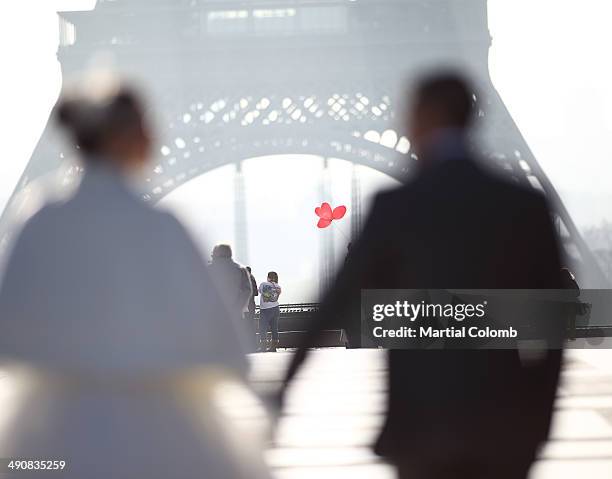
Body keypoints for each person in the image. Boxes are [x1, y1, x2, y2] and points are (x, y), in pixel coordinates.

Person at [280, 72, 563, 479]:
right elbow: (555, 328)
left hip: (420, 426)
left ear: (426, 114)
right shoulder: (526, 204)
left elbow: (336, 302)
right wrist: (538, 425)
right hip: (506, 424)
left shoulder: (396, 205)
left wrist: (284, 385)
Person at [0, 77, 269, 479]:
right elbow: (222, 341)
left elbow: (9, 331)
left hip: (56, 428)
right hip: (161, 426)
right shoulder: (161, 225)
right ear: (133, 137)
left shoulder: (41, 221)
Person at [208, 243, 252, 323]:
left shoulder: (207, 270)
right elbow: (247, 291)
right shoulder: (241, 270)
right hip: (235, 315)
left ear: (215, 254)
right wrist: (237, 308)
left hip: (212, 315)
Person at [258, 272, 282, 352]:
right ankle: (273, 347)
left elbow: (260, 292)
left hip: (265, 310)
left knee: (262, 328)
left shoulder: (264, 284)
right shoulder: (278, 286)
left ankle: (263, 347)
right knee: (274, 328)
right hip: (276, 308)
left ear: (268, 277)